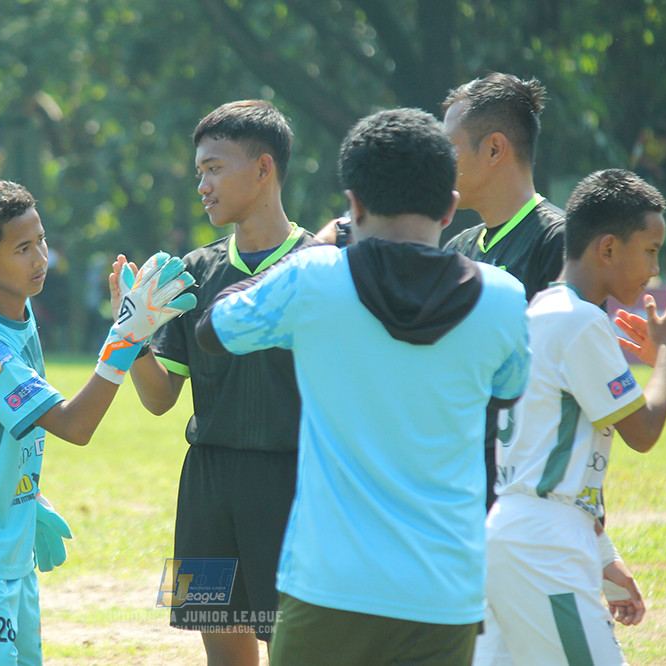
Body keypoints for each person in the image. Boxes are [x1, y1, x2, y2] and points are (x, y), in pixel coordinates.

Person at [195, 107, 530, 665]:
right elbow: (509, 391)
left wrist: (317, 247)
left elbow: (213, 330)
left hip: (328, 585)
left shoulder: (314, 278)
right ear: (450, 206)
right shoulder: (503, 297)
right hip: (445, 589)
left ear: (353, 204)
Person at [0, 176, 194, 665]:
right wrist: (124, 339)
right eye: (22, 249)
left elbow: (1, 432)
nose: (41, 258)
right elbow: (74, 426)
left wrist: (27, 495)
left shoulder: (18, 316)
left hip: (9, 549)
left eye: (41, 240)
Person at [474, 169, 666, 666]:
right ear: (608, 248)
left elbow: (551, 460)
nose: (655, 269)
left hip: (512, 532)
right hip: (544, 549)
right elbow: (643, 431)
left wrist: (601, 556)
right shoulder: (580, 321)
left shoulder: (542, 310)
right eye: (650, 250)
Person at [123, 99, 315, 664]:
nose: (203, 186)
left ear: (263, 168)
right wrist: (131, 336)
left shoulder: (323, 264)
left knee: (298, 649)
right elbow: (159, 399)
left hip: (293, 482)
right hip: (206, 488)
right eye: (199, 172)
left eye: (214, 169)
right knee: (223, 654)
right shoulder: (193, 271)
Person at [440, 72, 566, 512]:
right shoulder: (457, 248)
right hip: (463, 479)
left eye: (449, 146)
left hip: (531, 490)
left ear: (494, 148)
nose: (440, 160)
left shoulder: (559, 241)